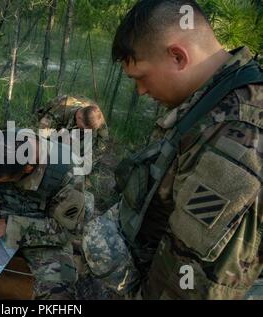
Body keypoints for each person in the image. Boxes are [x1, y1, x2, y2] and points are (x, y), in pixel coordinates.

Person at [82, 0, 263, 299]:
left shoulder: (236, 138)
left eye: (140, 77)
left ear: (178, 57)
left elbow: (193, 284)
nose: (140, 91)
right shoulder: (214, 100)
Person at [0, 130, 85, 299]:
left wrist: (11, 227)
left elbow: (65, 231)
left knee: (59, 293)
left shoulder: (68, 171)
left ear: (28, 168)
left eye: (3, 180)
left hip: (43, 238)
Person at [38, 95, 109, 164]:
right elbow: (41, 133)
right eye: (83, 128)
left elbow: (102, 144)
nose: (85, 131)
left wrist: (85, 163)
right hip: (56, 122)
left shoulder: (96, 116)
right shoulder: (60, 109)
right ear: (79, 117)